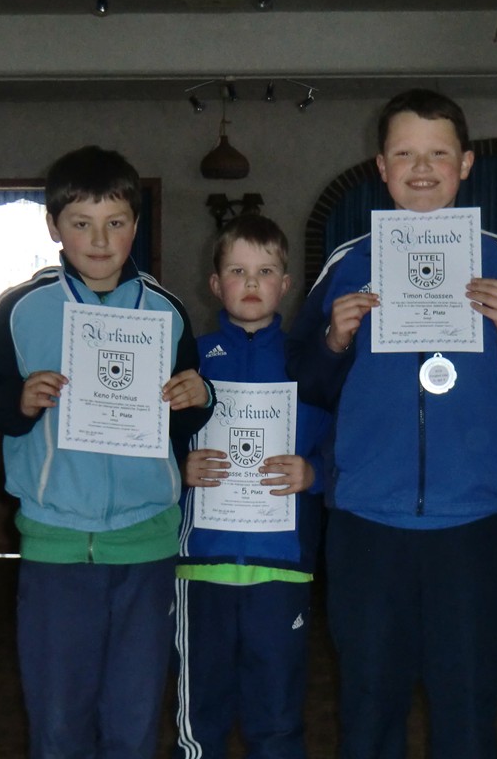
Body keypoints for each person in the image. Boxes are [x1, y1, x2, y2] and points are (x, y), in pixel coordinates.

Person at [285, 88, 497, 758]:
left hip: (472, 521)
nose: (421, 169)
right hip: (366, 520)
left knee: (467, 706)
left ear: (465, 164)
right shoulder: (348, 263)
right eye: (405, 154)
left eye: (438, 154)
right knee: (368, 706)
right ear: (381, 167)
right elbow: (304, 381)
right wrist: (333, 339)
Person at [0, 145, 215, 759]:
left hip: (147, 543)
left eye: (115, 222)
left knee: (133, 718)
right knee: (58, 718)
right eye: (81, 223)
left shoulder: (167, 311)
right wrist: (17, 400)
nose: (100, 240)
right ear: (54, 227)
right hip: (57, 543)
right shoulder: (23, 308)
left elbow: (182, 415)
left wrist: (198, 398)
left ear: (135, 225)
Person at [174, 214, 331, 759]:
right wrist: (179, 467)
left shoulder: (308, 364)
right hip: (202, 566)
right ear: (215, 283)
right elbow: (151, 440)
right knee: (199, 718)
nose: (250, 283)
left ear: (285, 284)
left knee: (278, 718)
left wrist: (314, 473)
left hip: (281, 565)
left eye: (264, 271)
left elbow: (344, 444)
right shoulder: (188, 359)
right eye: (237, 271)